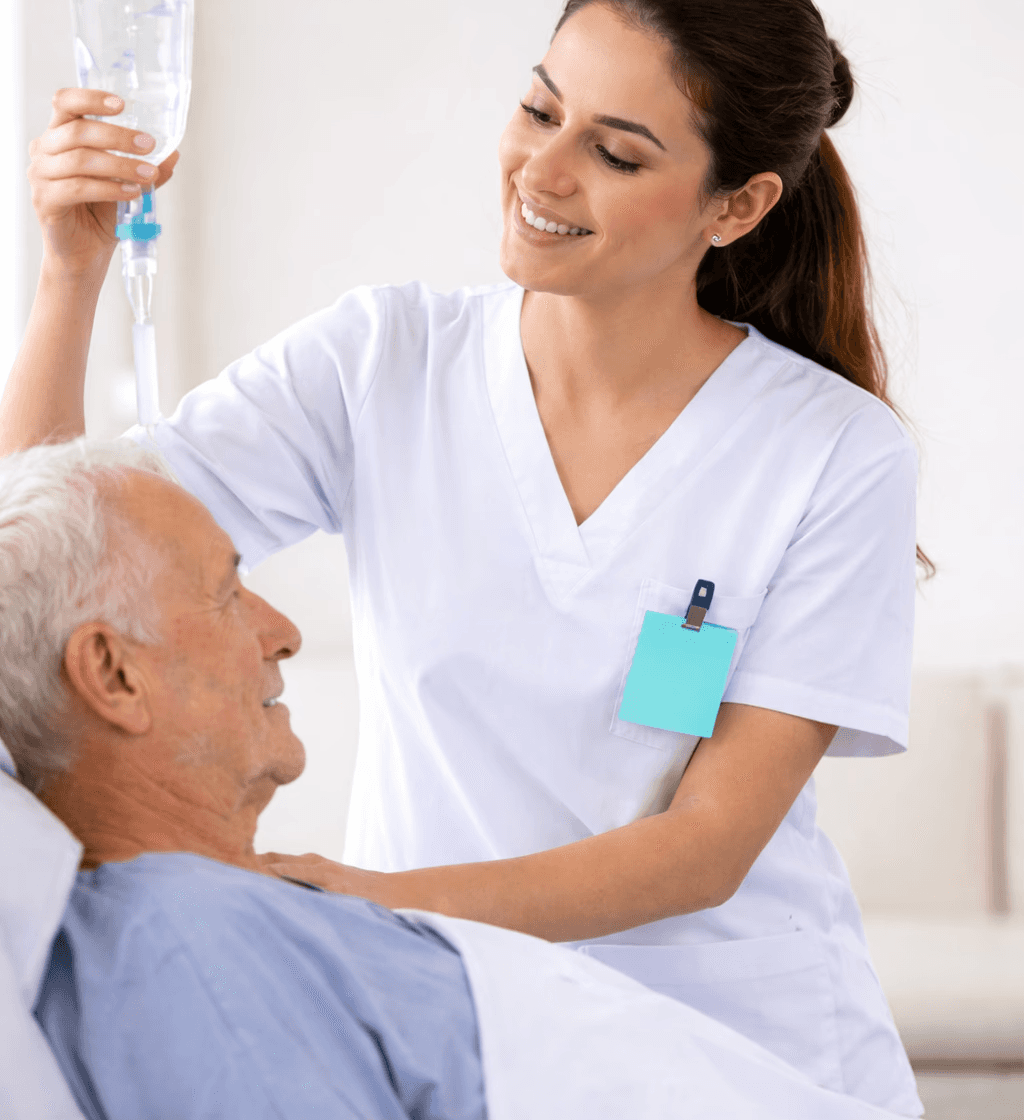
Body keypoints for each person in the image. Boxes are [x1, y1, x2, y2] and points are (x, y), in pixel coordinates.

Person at [3, 0, 922, 1114]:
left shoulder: (831, 452)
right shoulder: (381, 363)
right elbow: (41, 561)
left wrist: (352, 901)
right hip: (458, 1033)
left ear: (737, 206)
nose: (543, 168)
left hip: (734, 1053)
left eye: (614, 152)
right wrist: (70, 271)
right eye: (539, 109)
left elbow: (706, 845)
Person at [0, 439, 906, 1120]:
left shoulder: (238, 928)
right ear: (114, 674)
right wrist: (70, 283)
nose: (284, 631)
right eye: (228, 592)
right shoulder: (191, 960)